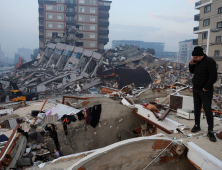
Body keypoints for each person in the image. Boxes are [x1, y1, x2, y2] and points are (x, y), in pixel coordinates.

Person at [189, 46, 217, 142]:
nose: (194, 59)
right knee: (196, 108)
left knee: (207, 110)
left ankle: (210, 131)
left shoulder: (210, 62)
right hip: (196, 89)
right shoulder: (196, 62)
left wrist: (207, 87)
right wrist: (191, 64)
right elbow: (193, 72)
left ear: (201, 56)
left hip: (205, 91)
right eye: (193, 57)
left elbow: (213, 76)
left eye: (196, 57)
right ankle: (197, 126)